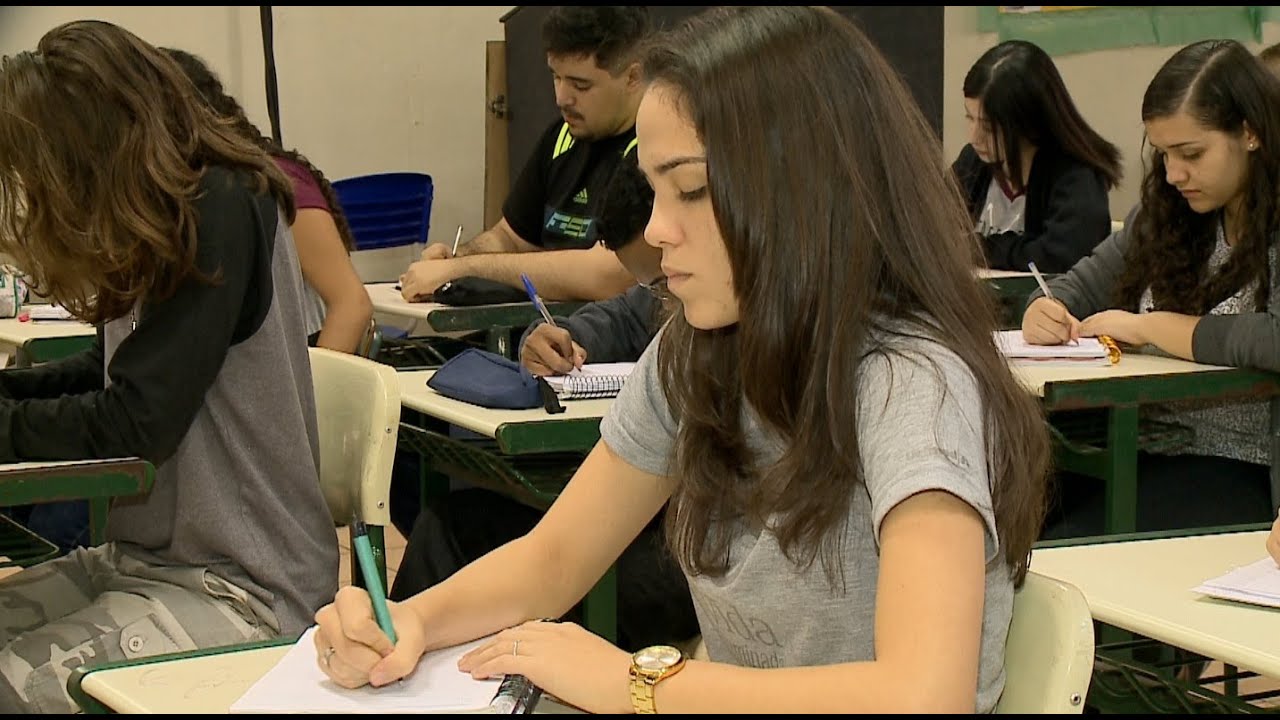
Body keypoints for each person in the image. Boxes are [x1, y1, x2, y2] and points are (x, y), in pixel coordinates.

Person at [314, 6, 1049, 714]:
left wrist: (636, 686)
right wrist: (413, 620)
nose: (659, 230)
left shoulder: (908, 382)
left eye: (691, 190)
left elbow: (924, 697)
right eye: (656, 189)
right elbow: (555, 558)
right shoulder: (695, 349)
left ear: (804, 190)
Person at [0, 20, 336, 713]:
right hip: (146, 562)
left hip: (247, 589)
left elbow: (135, 421)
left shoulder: (222, 202)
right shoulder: (166, 210)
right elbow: (112, 369)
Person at [389, 152, 697, 653]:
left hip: (679, 560)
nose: (664, 293)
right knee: (447, 526)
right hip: (638, 527)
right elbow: (616, 318)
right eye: (649, 282)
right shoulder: (670, 327)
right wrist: (551, 335)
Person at [1022, 39, 1280, 536]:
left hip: (1238, 466)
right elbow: (1073, 285)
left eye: (1191, 154)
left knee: (1067, 551)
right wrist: (1043, 308)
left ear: (1250, 133)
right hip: (1134, 447)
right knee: (1005, 528)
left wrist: (1153, 328)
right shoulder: (1168, 211)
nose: (1174, 174)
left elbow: (1274, 336)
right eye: (1163, 155)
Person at [398, 6, 649, 303]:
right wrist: (456, 257)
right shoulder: (562, 137)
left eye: (581, 85)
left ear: (633, 77)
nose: (562, 98)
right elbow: (511, 237)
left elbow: (606, 275)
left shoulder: (653, 147)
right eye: (556, 77)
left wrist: (461, 269)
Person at [164, 47, 373, 354]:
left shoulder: (275, 184)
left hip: (304, 358)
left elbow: (352, 304)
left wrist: (312, 397)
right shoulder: (196, 187)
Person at [953, 40, 1122, 273]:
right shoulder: (974, 161)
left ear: (1029, 123)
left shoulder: (1076, 176)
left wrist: (979, 247)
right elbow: (933, 226)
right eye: (969, 118)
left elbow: (1060, 256)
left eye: (990, 128)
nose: (974, 137)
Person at [518, 150, 664, 376]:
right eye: (652, 286)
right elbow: (625, 320)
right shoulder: (653, 302)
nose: (667, 296)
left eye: (664, 280)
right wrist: (555, 342)